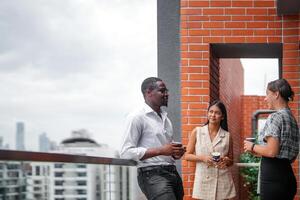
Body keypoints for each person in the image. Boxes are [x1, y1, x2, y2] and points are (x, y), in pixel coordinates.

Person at [120, 77, 185, 200]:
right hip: (152, 175)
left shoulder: (166, 118)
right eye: (162, 91)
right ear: (148, 92)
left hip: (172, 172)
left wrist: (175, 153)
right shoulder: (136, 117)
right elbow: (126, 153)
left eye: (166, 91)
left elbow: (166, 150)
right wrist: (161, 150)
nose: (167, 94)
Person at [244, 78, 299, 200]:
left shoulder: (275, 117)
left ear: (276, 94)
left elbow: (271, 152)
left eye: (267, 94)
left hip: (273, 179)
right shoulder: (292, 119)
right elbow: (285, 154)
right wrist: (258, 151)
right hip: (287, 176)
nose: (265, 98)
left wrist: (251, 146)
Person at [184, 100, 236, 200]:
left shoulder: (227, 136)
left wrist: (226, 160)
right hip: (203, 180)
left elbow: (231, 160)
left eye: (217, 113)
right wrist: (203, 158)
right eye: (211, 111)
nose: (213, 115)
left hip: (222, 181)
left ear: (223, 116)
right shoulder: (197, 131)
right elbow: (187, 155)